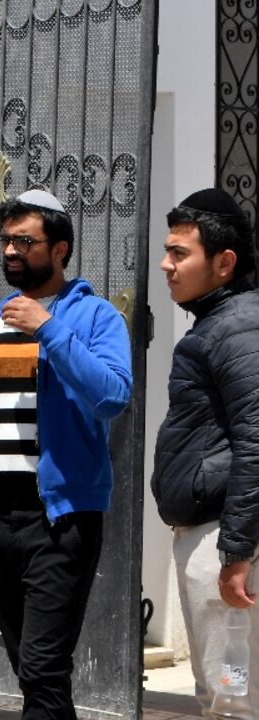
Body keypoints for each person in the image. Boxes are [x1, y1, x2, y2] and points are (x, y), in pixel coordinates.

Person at [0, 189, 132, 719]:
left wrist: (48, 329)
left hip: (59, 516)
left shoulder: (94, 317)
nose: (11, 252)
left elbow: (112, 395)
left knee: (44, 665)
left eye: (25, 240)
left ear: (60, 248)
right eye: (6, 241)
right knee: (28, 666)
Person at [151, 188, 259, 718]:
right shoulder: (221, 325)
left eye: (180, 253)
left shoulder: (237, 328)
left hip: (226, 545)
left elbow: (257, 439)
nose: (167, 265)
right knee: (223, 692)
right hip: (217, 540)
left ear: (224, 263)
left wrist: (236, 555)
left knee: (231, 696)